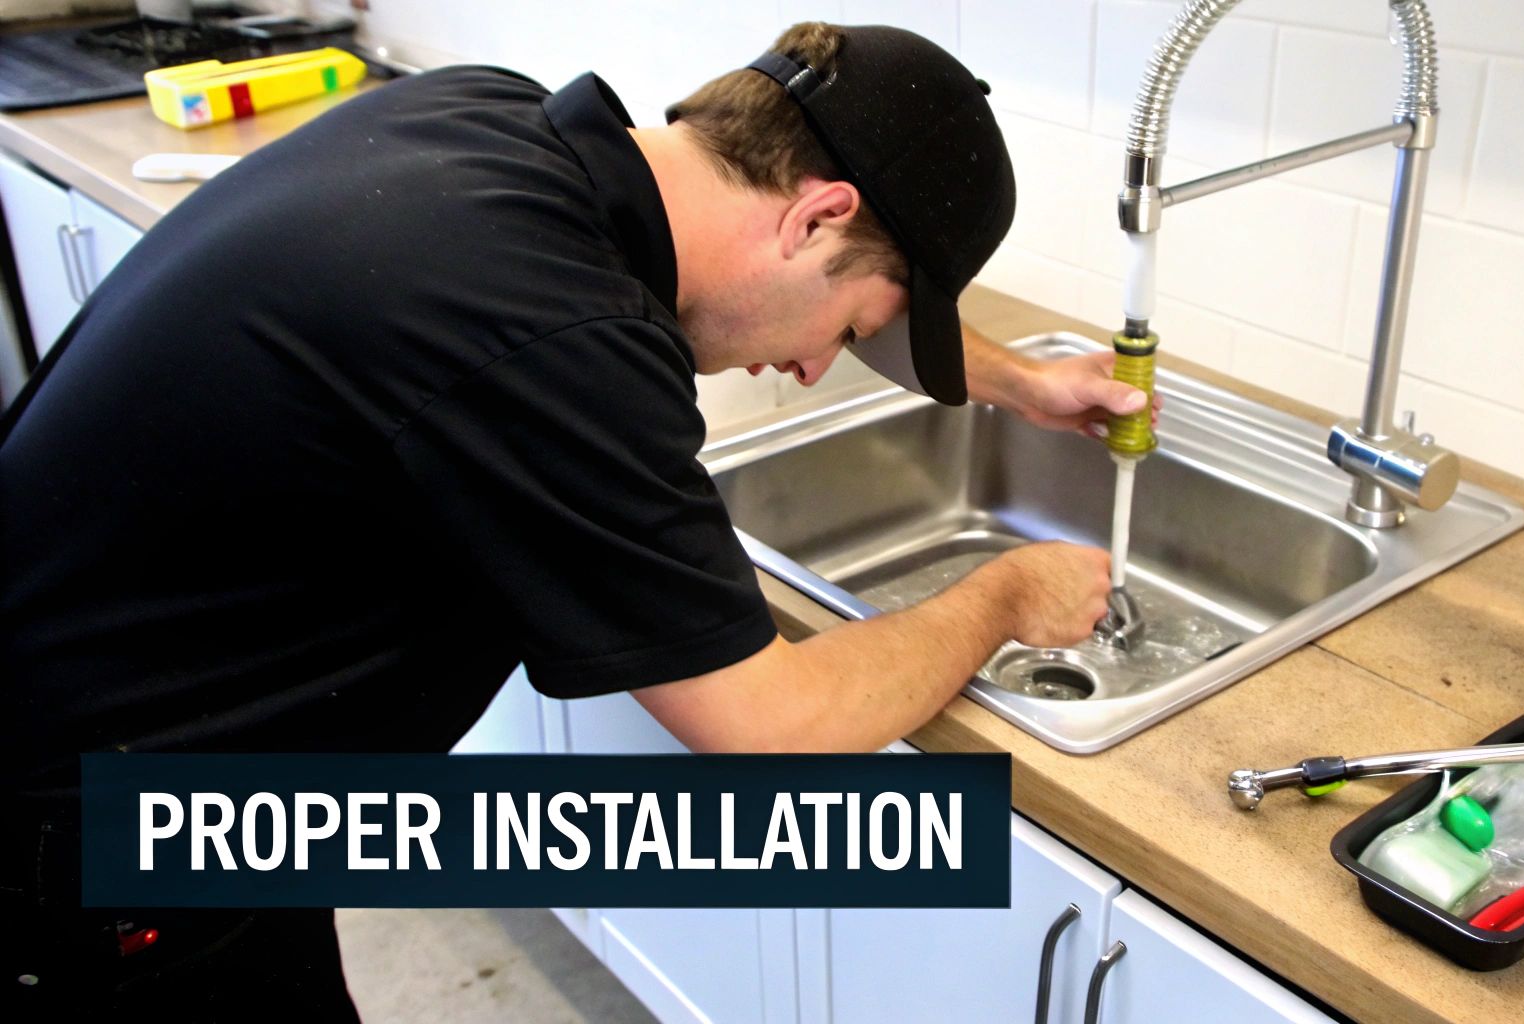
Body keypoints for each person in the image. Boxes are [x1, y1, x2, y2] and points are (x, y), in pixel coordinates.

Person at [0, 22, 1147, 1020]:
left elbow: (591, 324)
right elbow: (773, 727)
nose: (810, 369)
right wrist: (997, 594)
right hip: (91, 844)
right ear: (814, 216)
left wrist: (1018, 381)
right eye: (850, 329)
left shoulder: (489, 120)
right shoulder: (561, 337)